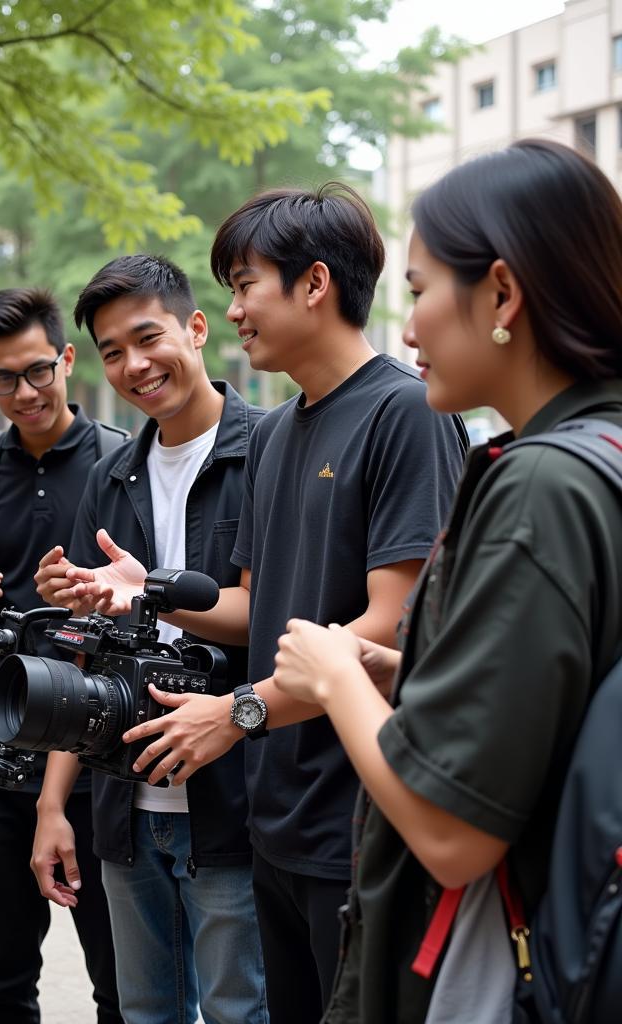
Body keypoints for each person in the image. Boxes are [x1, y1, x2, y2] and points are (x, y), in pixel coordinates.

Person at [83, 186, 467, 1023]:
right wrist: (146, 593)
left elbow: (391, 623)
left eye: (245, 284)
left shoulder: (405, 413)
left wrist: (238, 711)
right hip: (273, 818)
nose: (232, 312)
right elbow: (254, 610)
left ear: (315, 284)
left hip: (356, 818)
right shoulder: (277, 433)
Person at [270, 139, 622, 1023]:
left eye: (422, 292)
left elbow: (452, 832)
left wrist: (338, 677)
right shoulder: (602, 453)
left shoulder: (542, 486)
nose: (410, 327)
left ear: (502, 293)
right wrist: (410, 673)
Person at [32, 255, 267, 1024]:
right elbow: (85, 653)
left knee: (241, 1012)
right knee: (143, 1013)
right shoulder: (111, 475)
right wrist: (52, 803)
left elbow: (267, 615)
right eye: (111, 351)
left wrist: (151, 589)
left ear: (197, 329)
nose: (134, 366)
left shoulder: (266, 451)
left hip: (232, 806)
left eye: (147, 338)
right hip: (125, 808)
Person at [0, 287, 124, 1024]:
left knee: (120, 980)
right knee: (0, 980)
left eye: (38, 371)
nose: (24, 393)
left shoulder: (123, 462)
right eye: (3, 378)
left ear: (67, 359)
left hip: (93, 766)